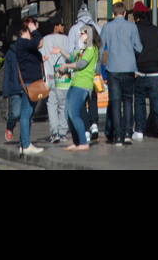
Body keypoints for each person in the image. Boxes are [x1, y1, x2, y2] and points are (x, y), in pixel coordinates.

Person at [101, 1, 143, 146]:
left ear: (113, 14)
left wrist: (101, 66)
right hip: (129, 68)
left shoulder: (107, 27)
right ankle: (127, 134)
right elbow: (139, 47)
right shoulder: (132, 27)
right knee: (128, 101)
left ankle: (117, 136)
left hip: (113, 69)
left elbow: (100, 49)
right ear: (125, 13)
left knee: (115, 102)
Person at [56, 25, 100, 151]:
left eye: (83, 33)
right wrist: (60, 51)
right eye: (80, 33)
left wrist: (66, 66)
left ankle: (83, 142)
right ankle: (76, 142)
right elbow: (71, 57)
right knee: (68, 114)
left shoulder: (91, 49)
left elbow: (81, 64)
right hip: (75, 83)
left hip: (83, 85)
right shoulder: (83, 49)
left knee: (74, 113)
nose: (80, 35)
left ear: (90, 34)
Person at [132, 1, 158, 140]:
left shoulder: (134, 30)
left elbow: (132, 50)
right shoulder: (157, 31)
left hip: (140, 70)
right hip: (155, 70)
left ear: (136, 16)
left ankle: (139, 130)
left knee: (140, 100)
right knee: (156, 98)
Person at [67, 3, 101, 141]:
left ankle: (86, 128)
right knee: (93, 98)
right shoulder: (97, 27)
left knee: (80, 100)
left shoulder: (74, 29)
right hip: (94, 69)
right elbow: (101, 47)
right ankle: (94, 124)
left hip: (80, 71)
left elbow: (70, 51)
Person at [12, 13, 44, 157]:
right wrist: (34, 29)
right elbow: (37, 41)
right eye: (30, 29)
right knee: (26, 114)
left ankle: (23, 143)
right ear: (26, 30)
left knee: (28, 113)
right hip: (30, 82)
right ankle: (26, 145)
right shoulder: (23, 43)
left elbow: (38, 44)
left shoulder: (24, 45)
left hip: (32, 81)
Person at [39, 15, 70, 144]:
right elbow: (70, 56)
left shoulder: (44, 40)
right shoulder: (66, 39)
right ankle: (63, 132)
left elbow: (40, 56)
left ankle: (55, 133)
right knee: (63, 105)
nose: (63, 27)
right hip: (62, 72)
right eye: (61, 25)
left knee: (51, 104)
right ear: (56, 26)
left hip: (49, 74)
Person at [2, 40, 21, 143]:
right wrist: (5, 90)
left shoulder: (28, 50)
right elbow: (7, 72)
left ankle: (25, 139)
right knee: (16, 113)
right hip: (15, 87)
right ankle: (9, 127)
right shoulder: (10, 53)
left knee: (26, 115)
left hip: (27, 86)